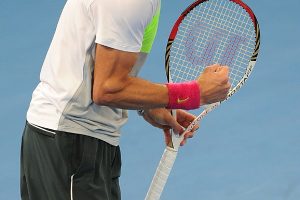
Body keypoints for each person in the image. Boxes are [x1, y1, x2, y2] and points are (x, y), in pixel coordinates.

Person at [20, 0, 230, 199]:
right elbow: (108, 89)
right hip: (71, 147)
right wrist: (193, 93)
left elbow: (108, 73)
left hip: (77, 141)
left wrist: (149, 105)